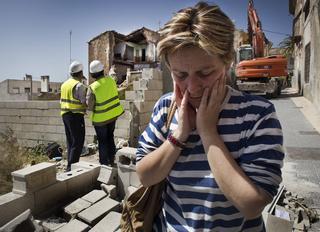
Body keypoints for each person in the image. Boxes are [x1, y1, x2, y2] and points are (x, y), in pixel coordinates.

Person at [136, 2, 284, 231]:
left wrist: (208, 132)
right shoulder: (166, 108)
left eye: (205, 73)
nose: (192, 87)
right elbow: (145, 176)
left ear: (227, 61)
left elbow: (251, 205)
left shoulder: (257, 115)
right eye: (180, 75)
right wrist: (179, 135)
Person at [86, 60, 124, 166]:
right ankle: (111, 160)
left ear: (92, 74)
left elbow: (89, 106)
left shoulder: (92, 87)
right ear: (102, 70)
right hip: (112, 116)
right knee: (110, 137)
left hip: (100, 119)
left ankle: (103, 164)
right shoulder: (111, 81)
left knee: (102, 141)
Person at [60, 60, 87, 172]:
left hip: (65, 115)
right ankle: (71, 167)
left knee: (70, 141)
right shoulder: (79, 85)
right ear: (80, 73)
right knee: (78, 142)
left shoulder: (64, 84)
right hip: (76, 116)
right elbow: (83, 102)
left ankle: (69, 165)